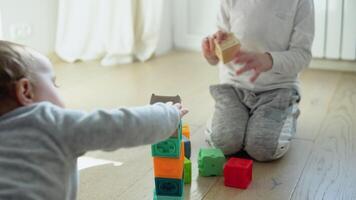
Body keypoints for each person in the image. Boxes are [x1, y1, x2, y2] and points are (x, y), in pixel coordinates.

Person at [0, 40, 188, 199]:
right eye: (53, 83)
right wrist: (168, 114)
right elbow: (121, 126)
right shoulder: (49, 122)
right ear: (26, 91)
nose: (57, 89)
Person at [202, 0, 314, 161]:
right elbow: (218, 52)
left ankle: (286, 112)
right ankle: (231, 117)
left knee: (262, 148)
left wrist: (269, 60)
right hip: (233, 87)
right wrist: (210, 53)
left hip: (277, 90)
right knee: (225, 143)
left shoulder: (301, 3)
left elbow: (303, 56)